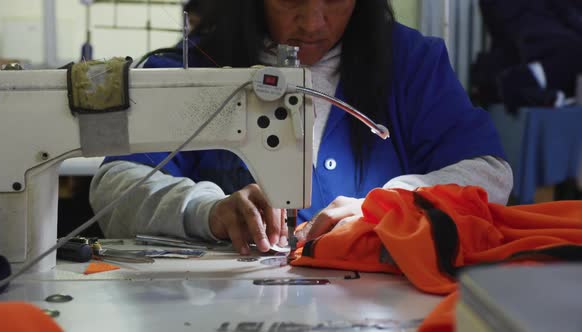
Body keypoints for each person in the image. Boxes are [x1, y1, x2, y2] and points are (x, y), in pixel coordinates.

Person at [90, 0, 513, 255]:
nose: (313, 22)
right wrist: (207, 210)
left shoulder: (411, 63)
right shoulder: (198, 65)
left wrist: (388, 204)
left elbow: (490, 174)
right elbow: (114, 186)